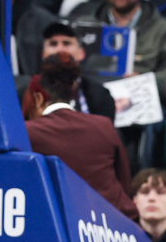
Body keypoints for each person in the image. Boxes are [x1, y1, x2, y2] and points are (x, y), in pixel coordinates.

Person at [25, 54, 137, 221]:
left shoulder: (28, 132)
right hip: (113, 228)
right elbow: (125, 183)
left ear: (39, 98)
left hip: (58, 226)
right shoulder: (104, 126)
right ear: (74, 92)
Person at [21, 23, 118, 121]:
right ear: (43, 54)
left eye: (67, 43)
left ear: (81, 53)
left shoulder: (100, 96)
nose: (60, 49)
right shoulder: (24, 95)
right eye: (53, 44)